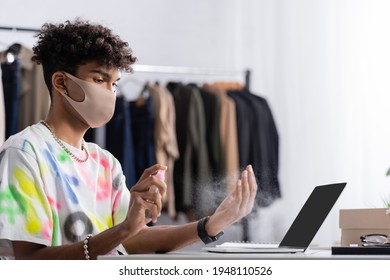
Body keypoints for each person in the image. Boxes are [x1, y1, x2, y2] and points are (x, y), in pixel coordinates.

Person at [0, 19, 258, 260]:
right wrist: (124, 230)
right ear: (61, 82)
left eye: (114, 84)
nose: (110, 93)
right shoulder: (24, 152)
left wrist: (211, 224)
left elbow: (133, 239)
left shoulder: (105, 162)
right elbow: (29, 260)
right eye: (99, 79)